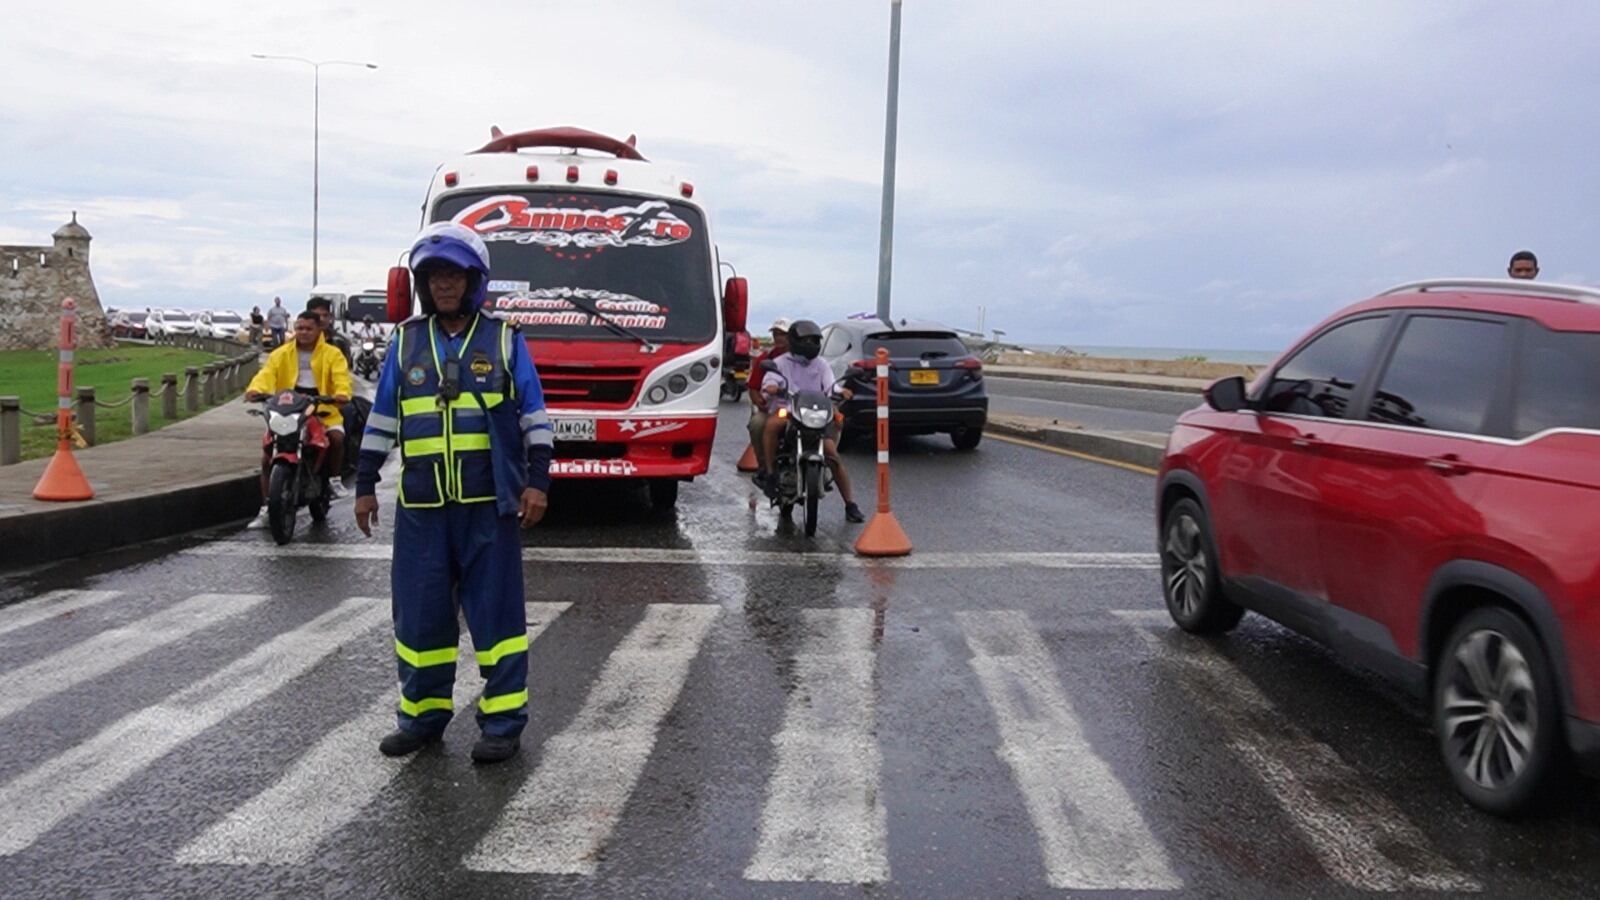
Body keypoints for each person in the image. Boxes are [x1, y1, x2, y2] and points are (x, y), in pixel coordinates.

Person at [354, 222, 555, 765]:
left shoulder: (505, 339)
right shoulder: (404, 341)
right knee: (419, 621)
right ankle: (422, 718)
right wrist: (365, 484)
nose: (444, 285)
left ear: (474, 281)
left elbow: (535, 417)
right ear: (423, 284)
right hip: (421, 508)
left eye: (454, 276)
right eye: (435, 276)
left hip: (490, 506)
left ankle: (503, 723)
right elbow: (382, 418)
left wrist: (537, 482)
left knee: (498, 621)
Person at [760, 319, 865, 523]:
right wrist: (772, 387)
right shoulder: (781, 363)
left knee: (832, 453)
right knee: (772, 424)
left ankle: (850, 504)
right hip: (790, 410)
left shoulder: (822, 364)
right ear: (795, 341)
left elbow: (831, 387)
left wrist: (841, 390)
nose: (809, 344)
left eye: (813, 340)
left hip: (814, 413)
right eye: (805, 340)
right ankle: (771, 474)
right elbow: (769, 382)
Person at [244, 310, 353, 496]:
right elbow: (267, 374)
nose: (303, 332)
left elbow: (341, 377)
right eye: (299, 328)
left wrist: (341, 394)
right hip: (288, 408)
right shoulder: (281, 353)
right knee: (266, 457)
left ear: (319, 329)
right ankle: (265, 508)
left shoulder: (333, 354)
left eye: (309, 328)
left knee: (336, 438)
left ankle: (334, 480)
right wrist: (255, 390)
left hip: (323, 408)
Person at [748, 317, 791, 489]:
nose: (779, 338)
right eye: (776, 334)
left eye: (783, 334)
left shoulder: (803, 359)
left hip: (798, 408)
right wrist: (759, 401)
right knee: (757, 424)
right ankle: (765, 467)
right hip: (772, 408)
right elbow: (753, 388)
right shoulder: (766, 359)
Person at [306, 296, 353, 365]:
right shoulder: (299, 341)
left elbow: (344, 369)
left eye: (325, 315)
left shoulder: (340, 342)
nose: (322, 319)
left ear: (330, 316)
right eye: (317, 316)